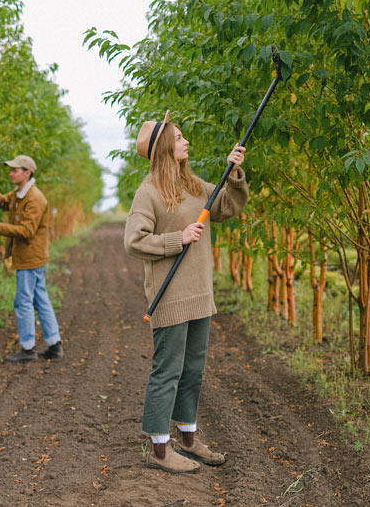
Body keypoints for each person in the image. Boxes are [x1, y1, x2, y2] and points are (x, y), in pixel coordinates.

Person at [124, 111, 249, 473]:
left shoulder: (194, 186)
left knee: (193, 369)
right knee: (168, 371)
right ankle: (160, 450)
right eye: (179, 137)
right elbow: (133, 241)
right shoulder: (148, 192)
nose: (186, 141)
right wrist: (176, 239)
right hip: (170, 297)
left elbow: (226, 206)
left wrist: (234, 173)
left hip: (199, 294)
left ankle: (189, 439)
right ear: (164, 146)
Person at [0, 154, 64, 363]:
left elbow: (27, 231)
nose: (11, 173)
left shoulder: (34, 199)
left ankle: (27, 349)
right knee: (40, 299)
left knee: (23, 301)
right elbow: (4, 202)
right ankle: (54, 344)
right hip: (30, 257)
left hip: (30, 258)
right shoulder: (19, 193)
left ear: (27, 173)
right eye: (11, 170)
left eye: (15, 170)